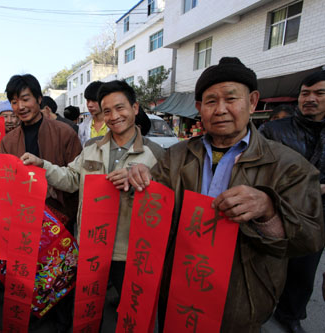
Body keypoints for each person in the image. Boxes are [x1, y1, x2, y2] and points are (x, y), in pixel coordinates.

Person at [128, 57, 324, 332]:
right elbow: (155, 215)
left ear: (253, 102)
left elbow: (311, 239)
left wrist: (268, 209)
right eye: (211, 101)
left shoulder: (288, 165)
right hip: (179, 290)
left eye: (231, 99)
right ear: (199, 108)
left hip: (242, 298)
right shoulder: (175, 156)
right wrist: (141, 180)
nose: (220, 110)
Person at [21, 79, 164, 300]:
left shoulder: (155, 153)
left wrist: (142, 180)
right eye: (107, 111)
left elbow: (163, 201)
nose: (114, 116)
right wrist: (43, 165)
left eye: (120, 108)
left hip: (128, 252)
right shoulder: (91, 147)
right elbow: (71, 179)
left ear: (135, 108)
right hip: (91, 244)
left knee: (129, 308)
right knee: (88, 307)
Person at [0, 74, 82, 331]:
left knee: (61, 289)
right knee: (27, 290)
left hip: (57, 228)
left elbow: (77, 180)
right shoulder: (8, 141)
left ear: (39, 99)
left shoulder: (65, 133)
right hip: (22, 226)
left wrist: (66, 218)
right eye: (14, 101)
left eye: (25, 99)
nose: (20, 106)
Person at [259, 70, 325, 333]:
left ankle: (290, 314)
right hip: (276, 210)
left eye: (319, 93)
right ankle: (258, 312)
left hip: (318, 217)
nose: (310, 99)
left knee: (304, 271)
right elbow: (256, 171)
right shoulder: (273, 130)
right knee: (265, 265)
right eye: (305, 93)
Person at [78, 81, 109, 145]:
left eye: (94, 100)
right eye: (88, 101)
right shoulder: (82, 127)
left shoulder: (114, 123)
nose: (89, 105)